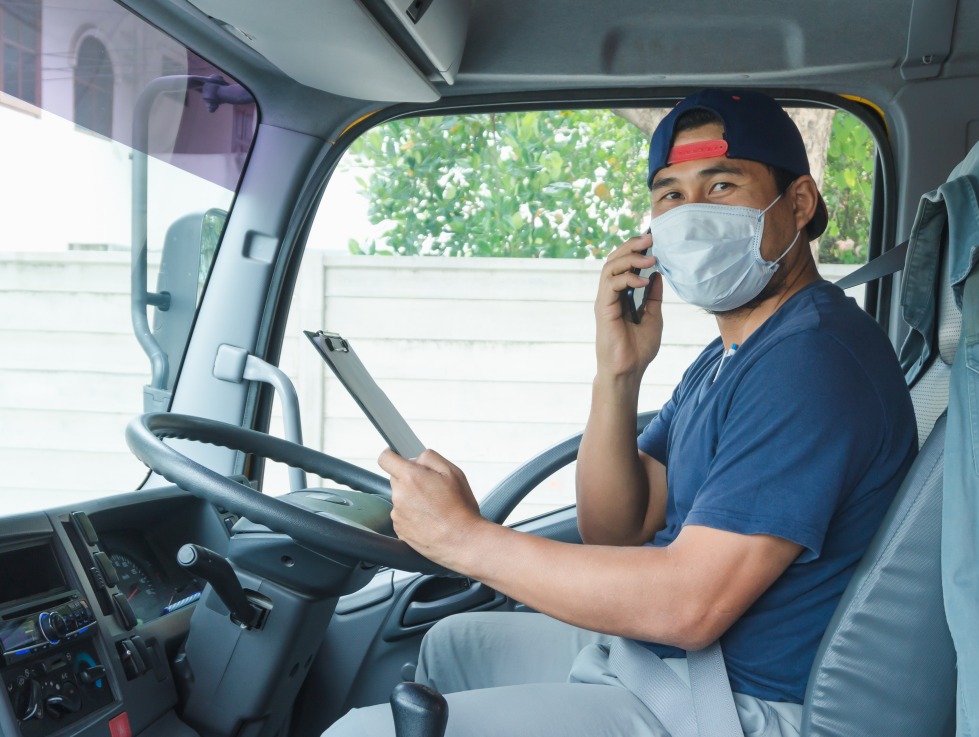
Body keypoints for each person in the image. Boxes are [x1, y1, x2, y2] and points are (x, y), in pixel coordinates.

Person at [324, 89, 918, 737]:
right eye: (671, 194)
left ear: (798, 203)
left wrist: (465, 539)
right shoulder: (730, 355)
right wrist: (619, 372)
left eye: (721, 185)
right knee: (453, 644)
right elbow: (616, 527)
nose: (690, 213)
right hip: (665, 664)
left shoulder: (811, 360)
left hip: (733, 702)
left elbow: (691, 603)